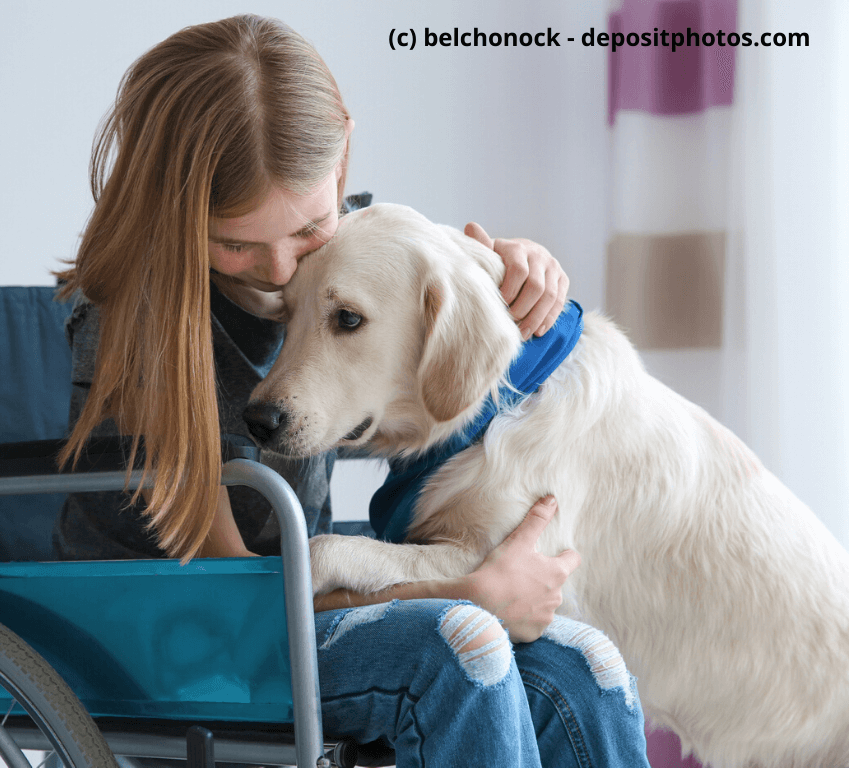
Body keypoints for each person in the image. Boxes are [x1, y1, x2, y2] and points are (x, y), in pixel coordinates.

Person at [55, 14, 651, 767]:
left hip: (297, 606)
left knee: (581, 665)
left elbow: (428, 336)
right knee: (461, 641)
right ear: (171, 207)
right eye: (235, 242)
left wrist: (511, 268)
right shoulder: (141, 327)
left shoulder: (341, 260)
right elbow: (238, 596)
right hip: (178, 636)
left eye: (307, 229)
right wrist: (471, 589)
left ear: (340, 161)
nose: (281, 271)